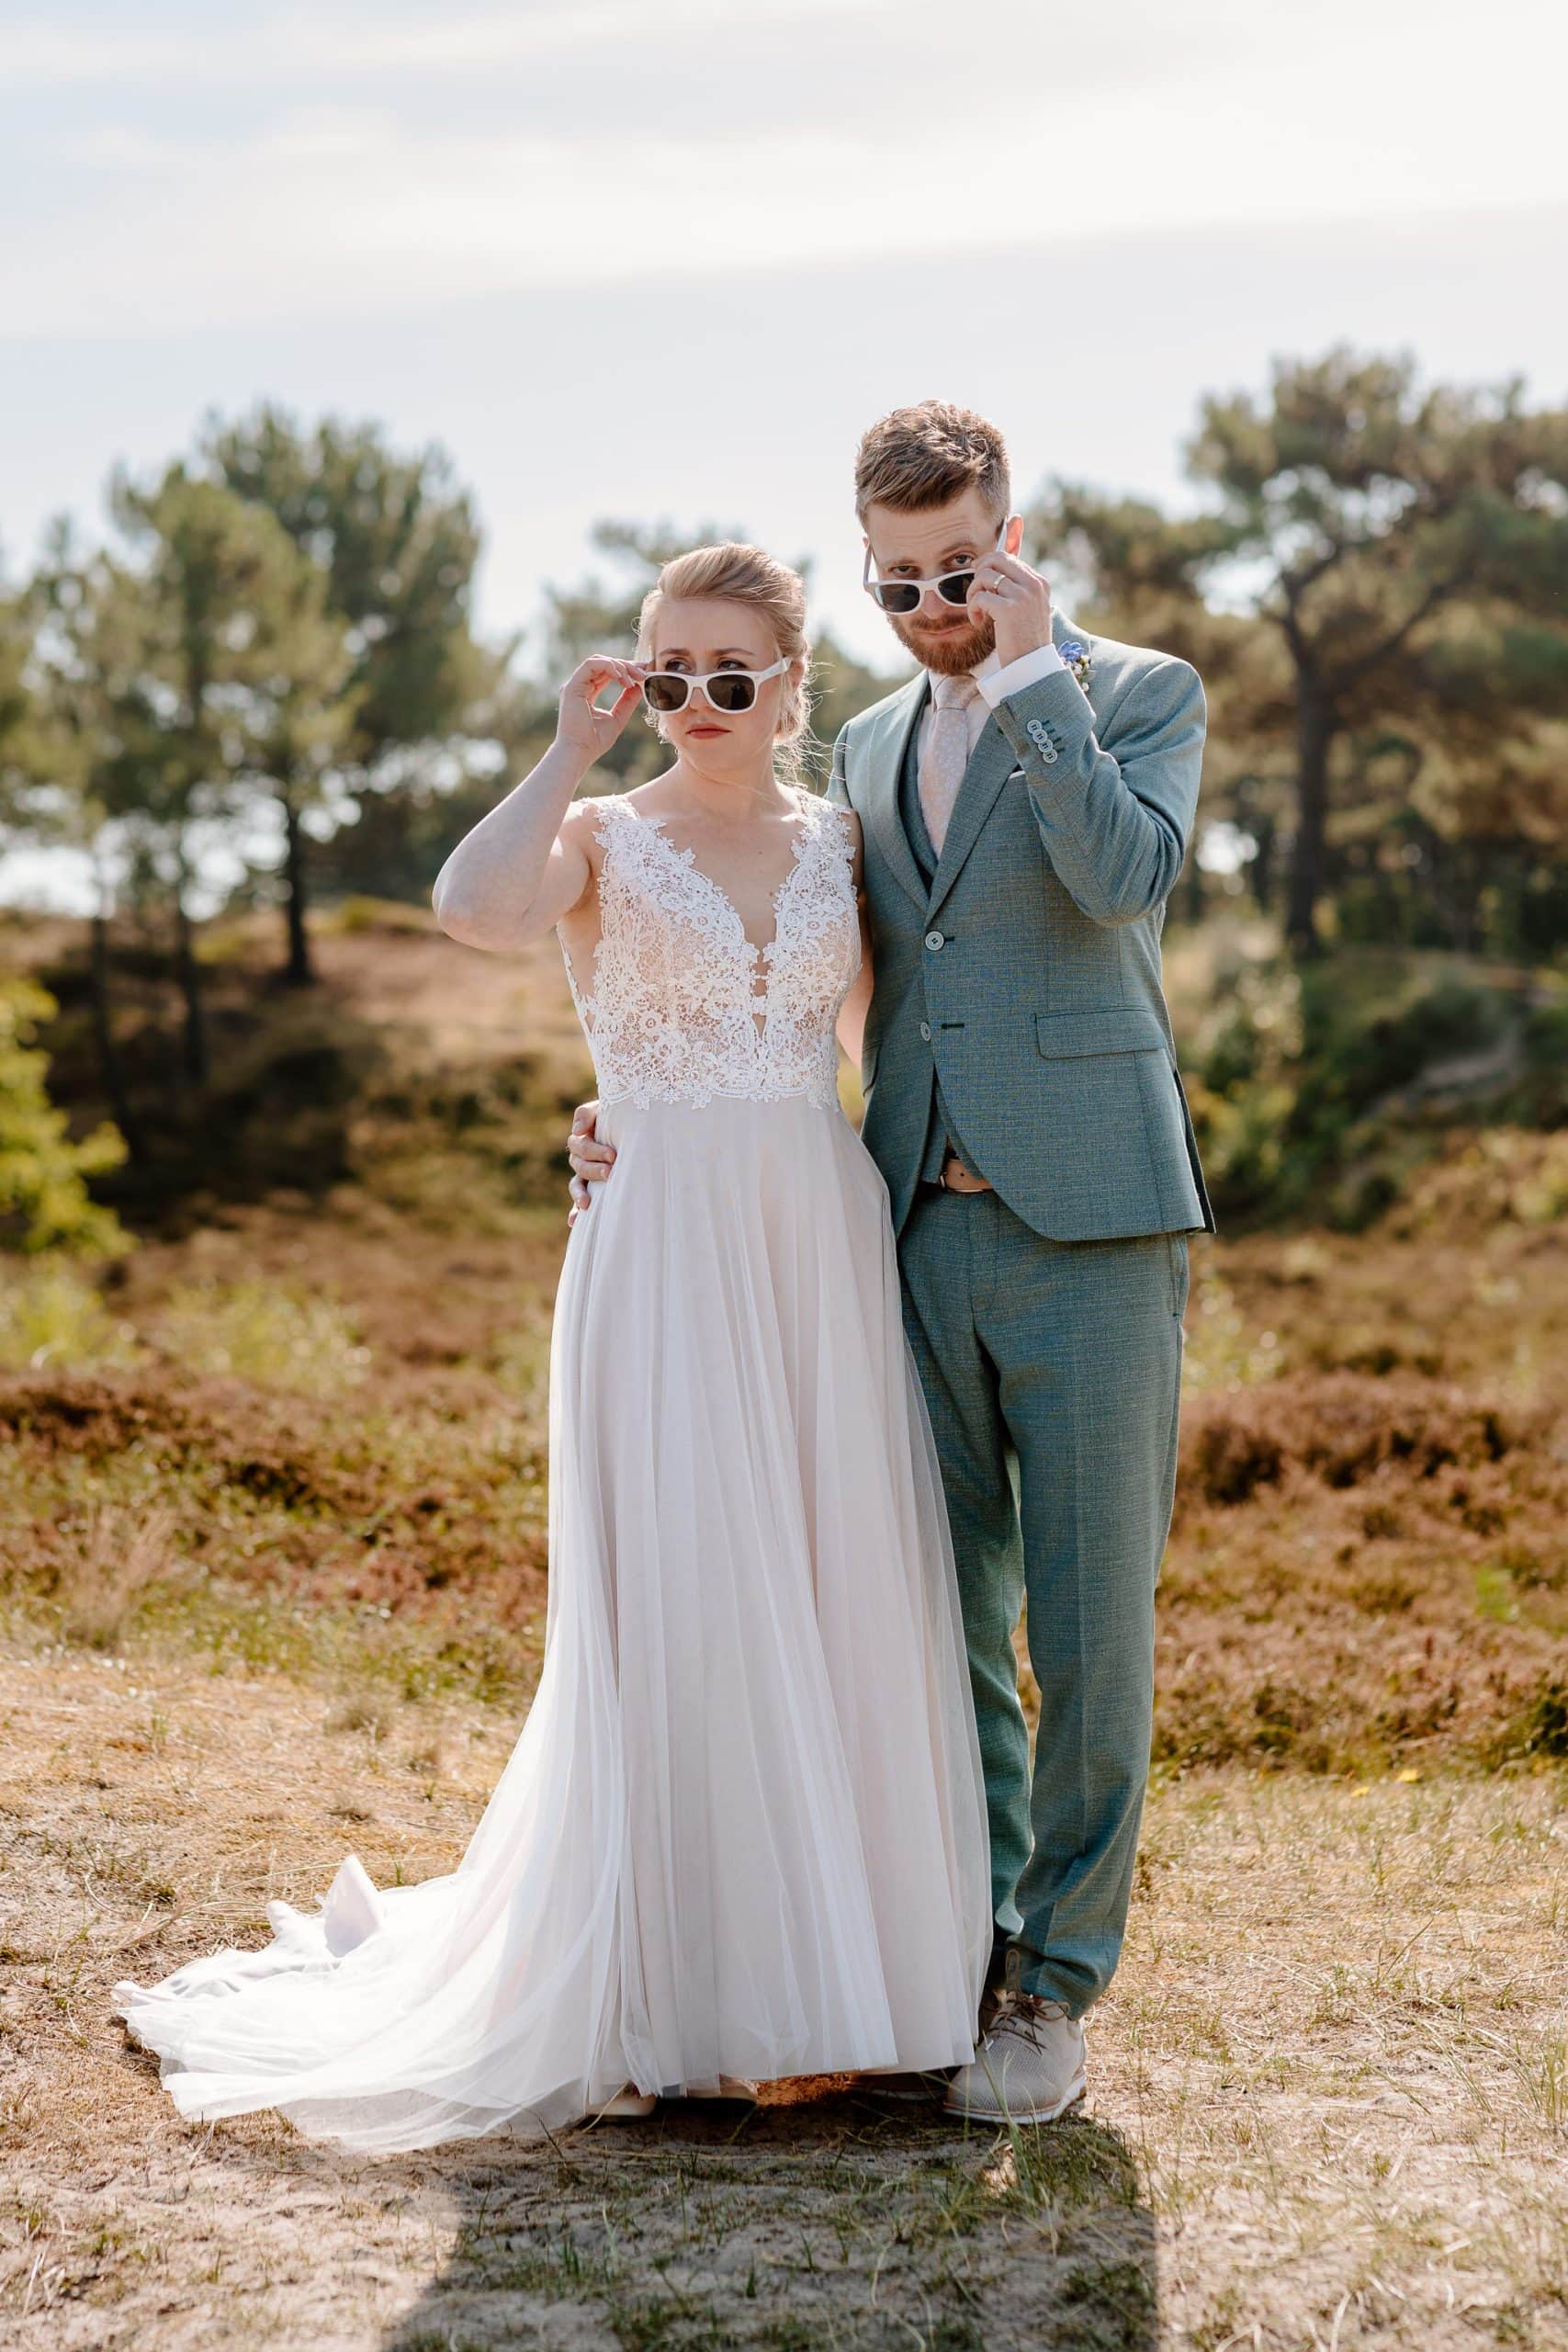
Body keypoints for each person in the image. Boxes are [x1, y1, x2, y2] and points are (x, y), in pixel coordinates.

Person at [113, 540, 992, 2153]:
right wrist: (571, 746)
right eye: (674, 677)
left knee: (831, 1574)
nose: (704, 706)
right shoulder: (597, 834)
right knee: (688, 1586)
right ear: (640, 680)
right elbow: (469, 915)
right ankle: (681, 1996)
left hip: (819, 1233)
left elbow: (887, 1043)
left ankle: (847, 1997)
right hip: (658, 1240)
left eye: (735, 679)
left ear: (792, 689)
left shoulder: (835, 845)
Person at [570, 402, 1214, 2126]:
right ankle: (955, 1954)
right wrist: (630, 1098)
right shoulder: (850, 748)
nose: (932, 602)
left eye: (960, 568)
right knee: (934, 1620)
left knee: (1088, 1631)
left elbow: (1123, 880)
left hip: (1094, 1221)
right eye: (901, 578)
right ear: (865, 572)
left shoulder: (1137, 695)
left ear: (1012, 542)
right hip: (898, 1226)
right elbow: (801, 970)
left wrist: (1031, 681)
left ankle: (1055, 1989)